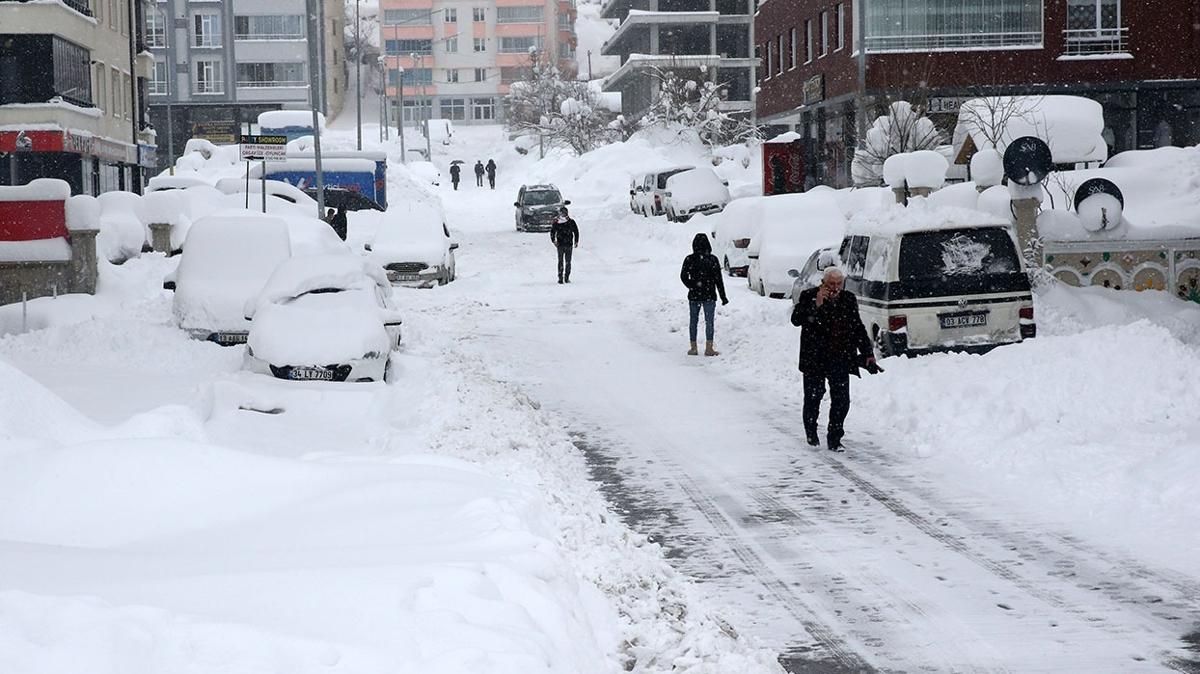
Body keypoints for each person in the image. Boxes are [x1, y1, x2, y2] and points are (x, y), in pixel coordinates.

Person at [790, 267, 880, 452]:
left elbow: (857, 328)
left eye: (839, 283)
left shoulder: (848, 299)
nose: (835, 287)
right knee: (813, 397)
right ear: (823, 282)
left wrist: (868, 353)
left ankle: (835, 437)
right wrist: (817, 305)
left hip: (839, 356)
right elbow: (796, 319)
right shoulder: (809, 296)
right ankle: (811, 431)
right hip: (814, 357)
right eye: (831, 283)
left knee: (841, 400)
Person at [679, 233, 728, 357]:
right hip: (709, 295)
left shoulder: (689, 259)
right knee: (709, 321)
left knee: (693, 321)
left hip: (694, 295)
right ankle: (709, 348)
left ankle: (693, 347)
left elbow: (683, 276)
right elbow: (719, 280)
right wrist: (723, 297)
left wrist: (692, 286)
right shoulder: (712, 259)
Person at [550, 206, 579, 284]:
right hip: (562, 244)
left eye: (564, 213)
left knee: (565, 261)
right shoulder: (558, 222)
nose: (564, 215)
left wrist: (576, 241)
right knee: (563, 261)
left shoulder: (570, 222)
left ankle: (565, 277)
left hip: (566, 244)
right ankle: (562, 278)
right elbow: (552, 232)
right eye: (563, 213)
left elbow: (576, 232)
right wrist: (553, 240)